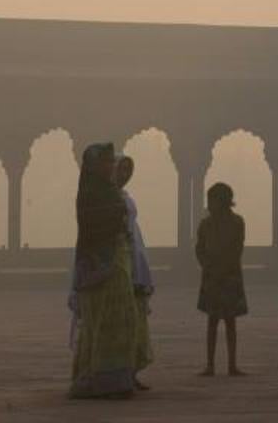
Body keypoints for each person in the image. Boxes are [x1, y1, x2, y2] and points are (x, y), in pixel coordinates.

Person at [68, 142, 139, 399]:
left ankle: (115, 380)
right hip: (99, 264)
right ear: (94, 166)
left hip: (114, 262)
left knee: (120, 320)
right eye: (106, 162)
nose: (111, 167)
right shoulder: (92, 192)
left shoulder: (106, 190)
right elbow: (96, 227)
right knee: (100, 324)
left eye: (111, 162)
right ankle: (98, 378)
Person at [195, 182, 248, 376]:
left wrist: (219, 268)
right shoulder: (206, 224)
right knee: (213, 321)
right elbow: (199, 248)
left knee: (230, 322)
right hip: (214, 275)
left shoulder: (237, 222)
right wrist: (208, 265)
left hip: (228, 276)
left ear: (224, 201)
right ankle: (210, 365)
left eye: (213, 200)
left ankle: (232, 364)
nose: (209, 204)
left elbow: (237, 249)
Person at [115, 155, 155, 389]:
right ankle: (117, 373)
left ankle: (128, 372)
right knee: (120, 321)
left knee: (134, 322)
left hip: (133, 261)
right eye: (121, 169)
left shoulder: (124, 198)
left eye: (129, 170)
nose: (125, 174)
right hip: (119, 264)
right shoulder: (108, 198)